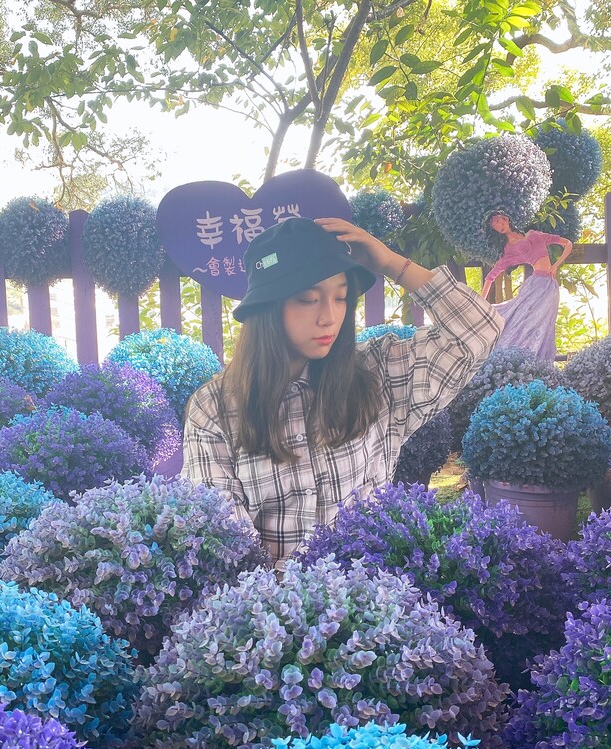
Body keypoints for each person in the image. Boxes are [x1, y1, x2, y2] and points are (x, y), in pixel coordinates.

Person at [181, 216, 504, 563]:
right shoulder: (214, 408)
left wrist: (393, 263)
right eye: (308, 299)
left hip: (372, 602)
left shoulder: (378, 374)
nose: (329, 317)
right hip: (269, 609)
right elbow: (225, 543)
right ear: (267, 307)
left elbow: (478, 329)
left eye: (341, 297)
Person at [480, 211, 573, 363]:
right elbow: (490, 277)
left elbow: (568, 244)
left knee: (545, 324)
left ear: (506, 219)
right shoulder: (509, 250)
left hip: (549, 286)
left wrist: (555, 266)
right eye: (495, 226)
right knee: (522, 320)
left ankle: (538, 364)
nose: (499, 226)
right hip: (535, 285)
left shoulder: (535, 235)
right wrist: (481, 304)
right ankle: (513, 361)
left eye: (499, 221)